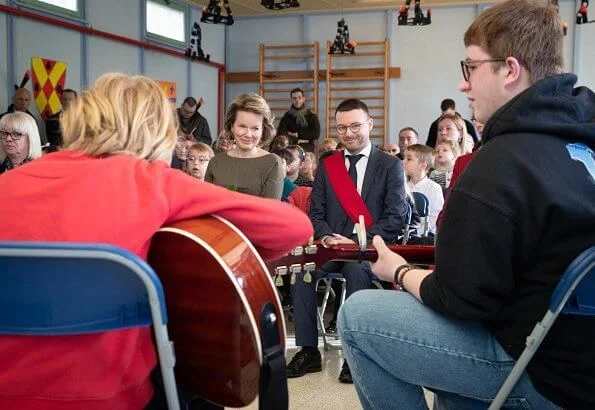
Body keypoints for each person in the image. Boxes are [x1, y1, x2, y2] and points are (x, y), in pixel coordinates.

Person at [0, 73, 314, 410]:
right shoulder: (150, 181)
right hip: (114, 396)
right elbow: (293, 227)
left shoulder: (10, 182)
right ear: (154, 131)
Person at [338, 1, 595, 409]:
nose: (464, 85)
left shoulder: (501, 162)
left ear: (509, 70)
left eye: (470, 67)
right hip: (579, 363)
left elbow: (459, 300)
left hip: (535, 371)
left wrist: (398, 270)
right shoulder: (582, 144)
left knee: (357, 315)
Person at [286, 98, 408, 383]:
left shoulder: (390, 165)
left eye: (355, 126)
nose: (349, 133)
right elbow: (315, 211)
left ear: (370, 124)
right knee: (302, 270)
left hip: (367, 252)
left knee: (356, 271)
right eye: (342, 128)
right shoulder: (329, 165)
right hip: (330, 248)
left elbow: (395, 218)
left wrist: (355, 241)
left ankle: (354, 355)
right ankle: (308, 350)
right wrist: (328, 236)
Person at [204, 93, 284, 199]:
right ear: (232, 126)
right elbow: (206, 203)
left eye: (255, 128)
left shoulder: (273, 163)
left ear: (263, 130)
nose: (248, 134)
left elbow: (271, 211)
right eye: (242, 126)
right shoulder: (216, 162)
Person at [403, 144, 444, 234]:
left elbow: (434, 219)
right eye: (404, 158)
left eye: (409, 159)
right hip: (402, 235)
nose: (403, 161)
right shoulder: (403, 187)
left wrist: (414, 233)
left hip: (423, 238)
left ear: (422, 165)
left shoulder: (434, 188)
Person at [277, 88, 321, 152]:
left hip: (307, 146)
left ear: (303, 99)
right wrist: (297, 140)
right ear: (292, 100)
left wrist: (297, 135)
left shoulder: (312, 116)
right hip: (291, 145)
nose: (297, 100)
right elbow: (281, 133)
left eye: (299, 98)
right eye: (294, 98)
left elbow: (316, 134)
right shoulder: (287, 116)